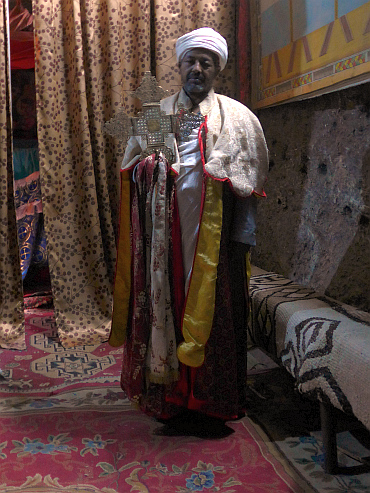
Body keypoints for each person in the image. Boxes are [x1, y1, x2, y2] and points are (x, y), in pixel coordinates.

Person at [109, 27, 269, 427]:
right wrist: (155, 167)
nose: (197, 68)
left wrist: (241, 243)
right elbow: (131, 172)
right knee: (167, 314)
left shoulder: (239, 119)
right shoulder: (155, 116)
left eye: (206, 62)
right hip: (164, 250)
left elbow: (249, 189)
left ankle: (211, 406)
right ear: (179, 66)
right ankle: (170, 403)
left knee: (216, 320)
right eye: (191, 61)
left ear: (217, 69)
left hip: (215, 249)